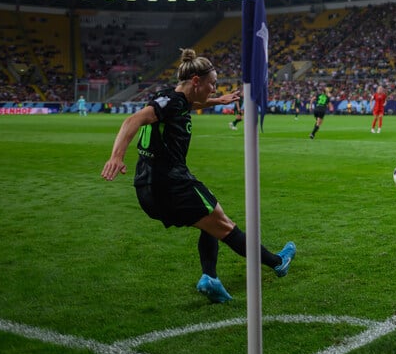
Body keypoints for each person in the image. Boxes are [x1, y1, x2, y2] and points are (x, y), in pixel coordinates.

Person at [100, 48, 296, 304]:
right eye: (212, 84)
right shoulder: (173, 103)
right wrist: (116, 156)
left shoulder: (171, 98)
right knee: (224, 224)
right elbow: (131, 121)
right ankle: (277, 262)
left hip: (146, 187)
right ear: (196, 81)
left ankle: (211, 279)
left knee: (210, 220)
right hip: (171, 183)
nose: (214, 89)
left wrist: (218, 101)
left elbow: (191, 103)